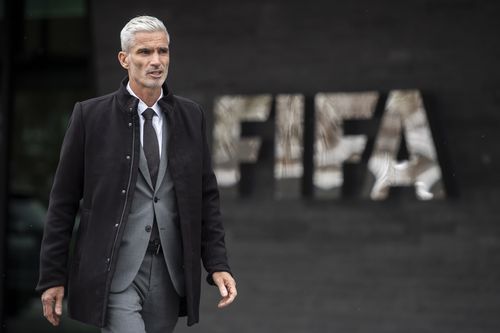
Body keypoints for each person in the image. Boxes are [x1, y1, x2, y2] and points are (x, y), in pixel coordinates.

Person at [36, 15, 237, 333]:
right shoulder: (90, 117)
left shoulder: (190, 116)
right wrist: (52, 277)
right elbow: (62, 202)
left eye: (163, 51)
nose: (156, 61)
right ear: (124, 59)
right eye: (145, 52)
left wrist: (217, 265)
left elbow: (206, 198)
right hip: (114, 271)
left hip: (169, 273)